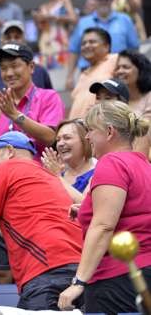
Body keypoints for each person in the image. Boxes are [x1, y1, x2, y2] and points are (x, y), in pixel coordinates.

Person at [0, 131, 83, 310]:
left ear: (9, 151)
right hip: (81, 272)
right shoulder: (48, 175)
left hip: (45, 272)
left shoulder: (7, 168)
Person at [58, 101, 151, 313]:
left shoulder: (112, 163)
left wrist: (78, 282)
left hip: (116, 281)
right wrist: (86, 210)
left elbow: (103, 226)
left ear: (109, 132)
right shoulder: (143, 164)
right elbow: (132, 212)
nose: (87, 137)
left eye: (90, 130)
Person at [0, 42, 65, 160]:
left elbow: (52, 138)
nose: (9, 73)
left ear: (31, 67)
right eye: (3, 68)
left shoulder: (48, 97)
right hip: (5, 174)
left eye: (15, 66)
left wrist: (15, 115)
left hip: (39, 173)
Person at [65, 0, 139, 90]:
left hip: (118, 72)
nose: (103, 1)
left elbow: (134, 48)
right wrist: (70, 76)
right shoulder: (83, 23)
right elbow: (74, 50)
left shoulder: (125, 20)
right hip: (89, 73)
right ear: (95, 0)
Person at [0, 20, 53, 97]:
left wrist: (12, 109)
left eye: (17, 37)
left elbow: (50, 98)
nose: (13, 40)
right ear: (1, 41)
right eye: (8, 37)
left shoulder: (40, 71)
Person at [42, 119, 95, 205]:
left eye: (67, 138)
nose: (60, 144)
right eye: (58, 140)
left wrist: (57, 177)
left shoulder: (97, 172)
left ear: (85, 140)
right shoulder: (58, 171)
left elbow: (85, 206)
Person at [68, 27, 117, 119]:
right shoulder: (83, 74)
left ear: (106, 46)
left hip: (104, 127)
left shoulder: (115, 60)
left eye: (92, 42)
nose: (86, 46)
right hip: (79, 129)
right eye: (83, 43)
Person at [114, 50, 151, 157]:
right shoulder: (117, 102)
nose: (120, 71)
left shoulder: (149, 97)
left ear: (140, 70)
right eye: (118, 68)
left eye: (126, 67)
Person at [33, 0, 77, 68]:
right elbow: (40, 28)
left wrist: (54, 17)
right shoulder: (43, 7)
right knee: (47, 68)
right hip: (45, 41)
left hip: (60, 40)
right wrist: (37, 19)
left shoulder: (64, 2)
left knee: (63, 67)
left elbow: (74, 19)